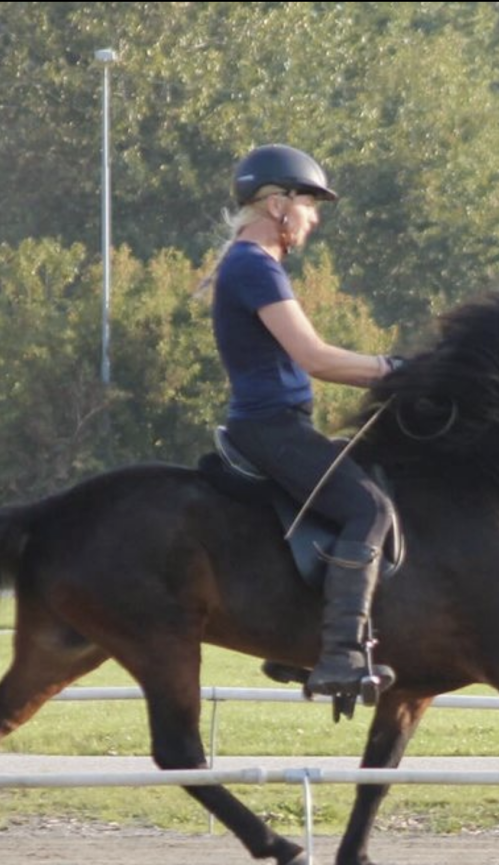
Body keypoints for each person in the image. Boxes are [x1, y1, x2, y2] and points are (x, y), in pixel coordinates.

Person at [208, 143, 400, 698]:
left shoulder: (253, 265)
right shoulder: (253, 267)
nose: (314, 219)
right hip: (270, 427)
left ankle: (292, 647)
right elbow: (315, 358)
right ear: (277, 205)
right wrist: (396, 370)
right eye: (310, 205)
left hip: (278, 423)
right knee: (368, 508)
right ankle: (338, 657)